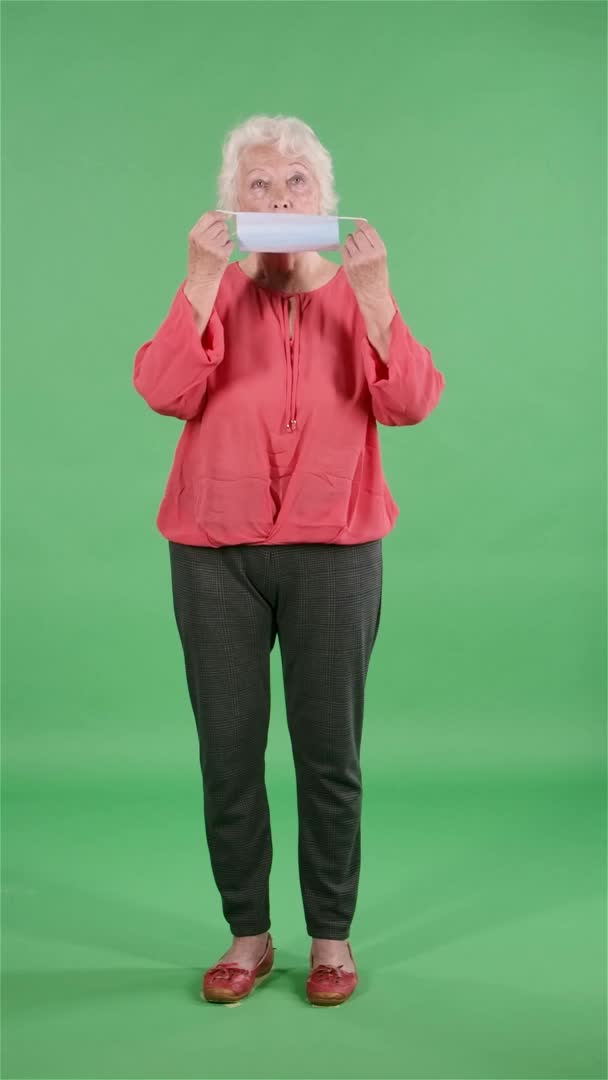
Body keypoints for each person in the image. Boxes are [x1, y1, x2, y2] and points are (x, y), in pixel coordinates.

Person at [132, 114, 446, 1006]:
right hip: (213, 555)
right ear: (233, 204)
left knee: (328, 755)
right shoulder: (217, 292)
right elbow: (161, 388)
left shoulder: (356, 293)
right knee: (228, 753)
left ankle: (332, 940)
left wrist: (379, 295)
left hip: (336, 554)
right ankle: (248, 934)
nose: (278, 198)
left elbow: (413, 402)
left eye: (296, 182)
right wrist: (198, 281)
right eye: (259, 186)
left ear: (326, 199)